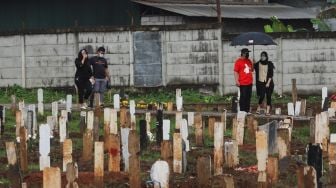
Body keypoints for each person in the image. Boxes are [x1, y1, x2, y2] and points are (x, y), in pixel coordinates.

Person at [234, 48, 253, 113]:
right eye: (246, 53)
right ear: (243, 53)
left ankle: (247, 110)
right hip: (243, 83)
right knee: (243, 97)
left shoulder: (249, 61)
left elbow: (252, 70)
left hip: (249, 82)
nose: (248, 54)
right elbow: (236, 72)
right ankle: (242, 111)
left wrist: (253, 63)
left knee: (248, 97)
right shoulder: (238, 61)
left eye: (248, 53)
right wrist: (237, 81)